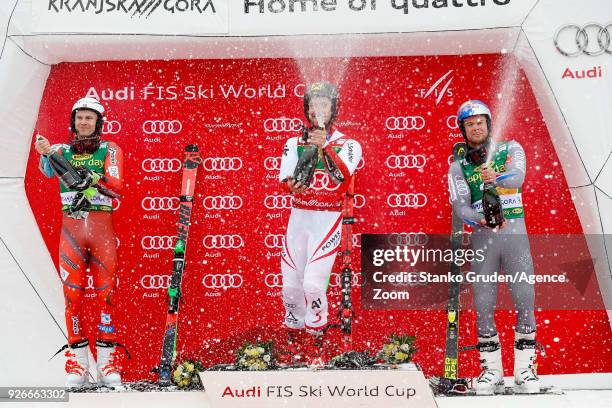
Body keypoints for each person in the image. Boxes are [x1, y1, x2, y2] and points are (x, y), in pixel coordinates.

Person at [447, 100, 540, 395]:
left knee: (525, 297)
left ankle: (525, 369)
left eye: (480, 122)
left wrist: (495, 178)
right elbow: (461, 206)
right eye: (469, 124)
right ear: (463, 130)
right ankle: (492, 369)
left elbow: (518, 177)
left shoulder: (510, 148)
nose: (476, 127)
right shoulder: (458, 165)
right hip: (484, 238)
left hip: (515, 235)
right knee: (483, 303)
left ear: (488, 124)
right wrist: (483, 219)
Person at [34, 97, 125, 388]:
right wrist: (44, 153)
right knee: (72, 297)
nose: (83, 122)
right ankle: (78, 363)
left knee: (106, 295)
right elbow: (47, 171)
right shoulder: (59, 150)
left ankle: (108, 363)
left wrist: (93, 177)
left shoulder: (109, 149)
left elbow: (117, 184)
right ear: (73, 121)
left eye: (89, 118)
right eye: (79, 118)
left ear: (99, 122)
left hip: (101, 231)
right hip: (71, 232)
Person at [278, 82, 362, 365]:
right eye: (314, 105)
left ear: (333, 109)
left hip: (327, 219)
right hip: (299, 218)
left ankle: (317, 348)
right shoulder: (293, 142)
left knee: (313, 285)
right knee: (290, 288)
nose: (319, 110)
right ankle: (294, 348)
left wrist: (324, 146)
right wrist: (295, 187)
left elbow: (342, 177)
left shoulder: (349, 144)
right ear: (307, 109)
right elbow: (287, 182)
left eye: (324, 104)